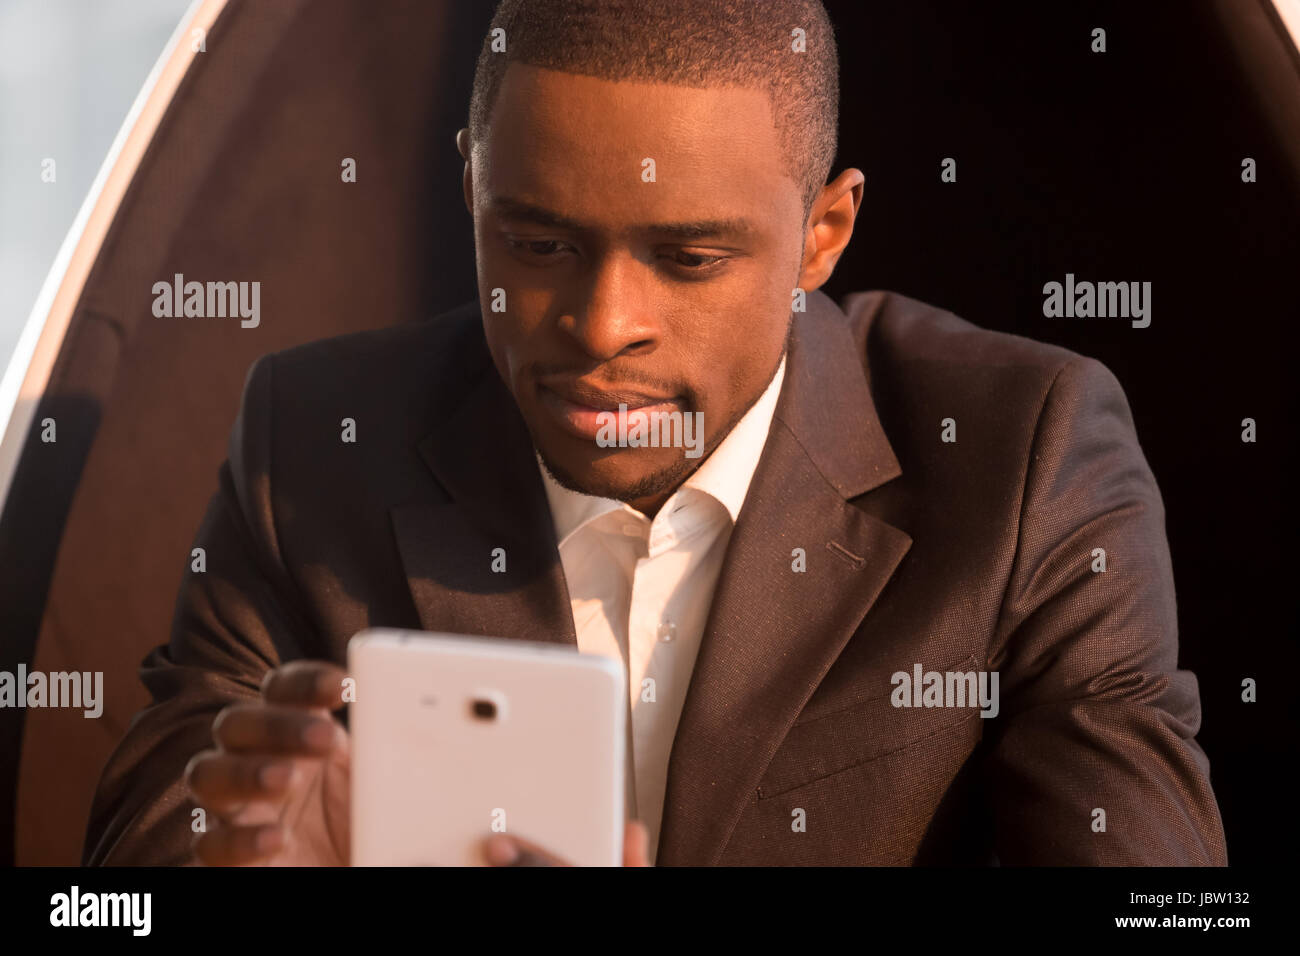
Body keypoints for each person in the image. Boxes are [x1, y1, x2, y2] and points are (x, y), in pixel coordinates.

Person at [84, 0, 1227, 866]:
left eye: (686, 259)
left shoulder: (1028, 454)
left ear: (823, 233)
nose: (600, 327)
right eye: (535, 244)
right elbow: (122, 873)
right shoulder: (312, 439)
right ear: (470, 189)